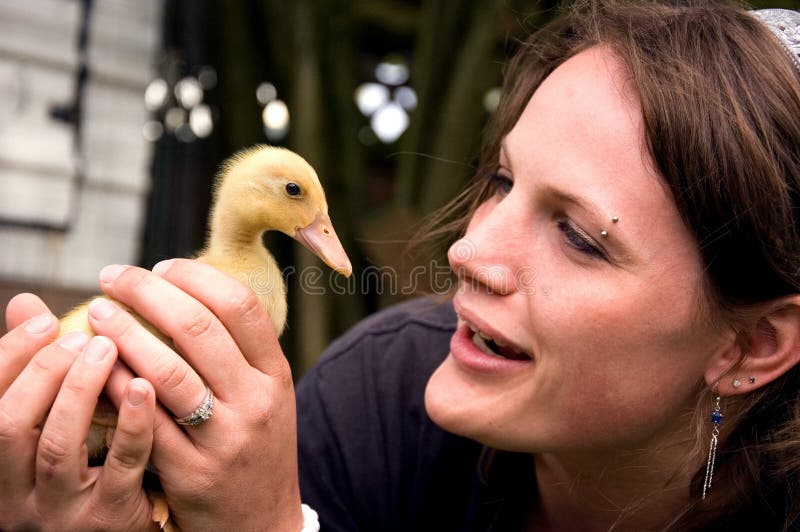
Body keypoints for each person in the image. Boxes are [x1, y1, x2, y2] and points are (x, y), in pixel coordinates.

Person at [2, 0, 800, 529]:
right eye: (501, 181)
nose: (467, 251)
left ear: (750, 345)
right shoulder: (380, 396)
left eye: (581, 237)